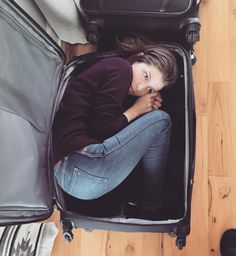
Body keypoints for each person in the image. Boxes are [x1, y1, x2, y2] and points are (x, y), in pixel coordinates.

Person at [52, 35, 178, 220]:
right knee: (161, 120)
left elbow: (102, 127)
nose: (141, 87)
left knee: (154, 119)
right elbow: (101, 131)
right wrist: (137, 110)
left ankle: (147, 201)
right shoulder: (121, 68)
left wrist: (138, 110)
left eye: (150, 90)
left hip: (70, 179)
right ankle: (152, 205)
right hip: (79, 165)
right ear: (140, 57)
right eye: (145, 75)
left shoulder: (116, 78)